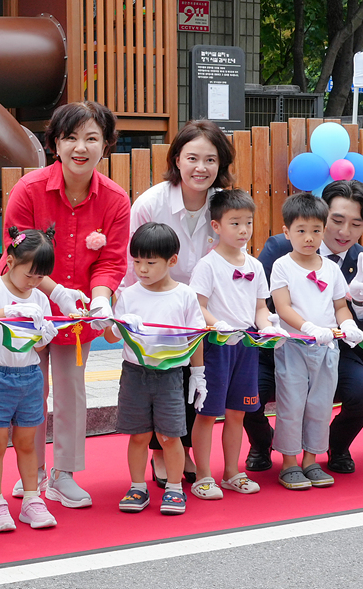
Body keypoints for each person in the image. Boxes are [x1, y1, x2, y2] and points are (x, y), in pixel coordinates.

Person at [0, 101, 131, 508]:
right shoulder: (30, 189)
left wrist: (101, 298)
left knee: (72, 390)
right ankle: (32, 472)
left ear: (105, 145)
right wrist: (53, 292)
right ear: (55, 142)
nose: (80, 147)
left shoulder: (114, 199)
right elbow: (16, 250)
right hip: (29, 303)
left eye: (92, 138)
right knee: (29, 390)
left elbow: (111, 260)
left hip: (80, 314)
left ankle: (65, 473)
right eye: (71, 137)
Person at [122, 120, 235, 488]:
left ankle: (178, 447)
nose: (200, 168)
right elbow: (133, 260)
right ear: (176, 159)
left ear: (221, 165)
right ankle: (160, 451)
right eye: (192, 158)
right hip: (157, 300)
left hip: (204, 304)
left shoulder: (224, 204)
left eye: (210, 160)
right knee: (160, 372)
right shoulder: (151, 203)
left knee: (190, 379)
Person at [247, 180, 363, 474]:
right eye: (336, 220)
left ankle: (333, 446)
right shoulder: (280, 252)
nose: (344, 232)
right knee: (246, 392)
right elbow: (263, 304)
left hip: (331, 352)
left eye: (356, 224)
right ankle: (262, 443)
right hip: (279, 348)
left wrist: (358, 307)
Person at [189, 190, 286, 499]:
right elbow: (197, 307)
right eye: (235, 223)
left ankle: (232, 472)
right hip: (216, 346)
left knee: (237, 413)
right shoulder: (207, 265)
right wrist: (217, 324)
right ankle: (204, 475)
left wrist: (268, 327)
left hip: (246, 346)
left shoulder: (256, 266)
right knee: (206, 414)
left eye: (248, 222)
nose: (244, 230)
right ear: (216, 226)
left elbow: (260, 308)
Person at [104, 223, 205, 516]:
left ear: (172, 261)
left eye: (150, 262)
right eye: (136, 262)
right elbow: (112, 337)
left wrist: (198, 376)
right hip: (135, 373)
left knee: (170, 436)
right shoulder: (129, 294)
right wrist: (110, 322)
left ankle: (174, 488)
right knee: (138, 435)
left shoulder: (185, 295)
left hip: (171, 375)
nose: (142, 269)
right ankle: (138, 486)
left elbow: (196, 337)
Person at [268, 193, 363, 490]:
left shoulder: (331, 268)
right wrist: (308, 327)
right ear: (286, 232)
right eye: (301, 230)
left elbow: (339, 306)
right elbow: (282, 307)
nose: (308, 238)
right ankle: (289, 463)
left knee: (321, 406)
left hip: (327, 348)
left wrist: (347, 324)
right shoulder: (282, 266)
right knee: (292, 404)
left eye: (315, 230)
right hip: (294, 348)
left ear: (323, 231)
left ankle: (311, 460)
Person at [0, 227, 60, 532]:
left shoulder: (39, 297)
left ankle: (31, 499)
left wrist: (44, 334)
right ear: (10, 261)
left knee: (28, 443)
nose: (34, 282)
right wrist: (8, 311)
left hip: (30, 376)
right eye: (29, 274)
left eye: (40, 277)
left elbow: (39, 347)